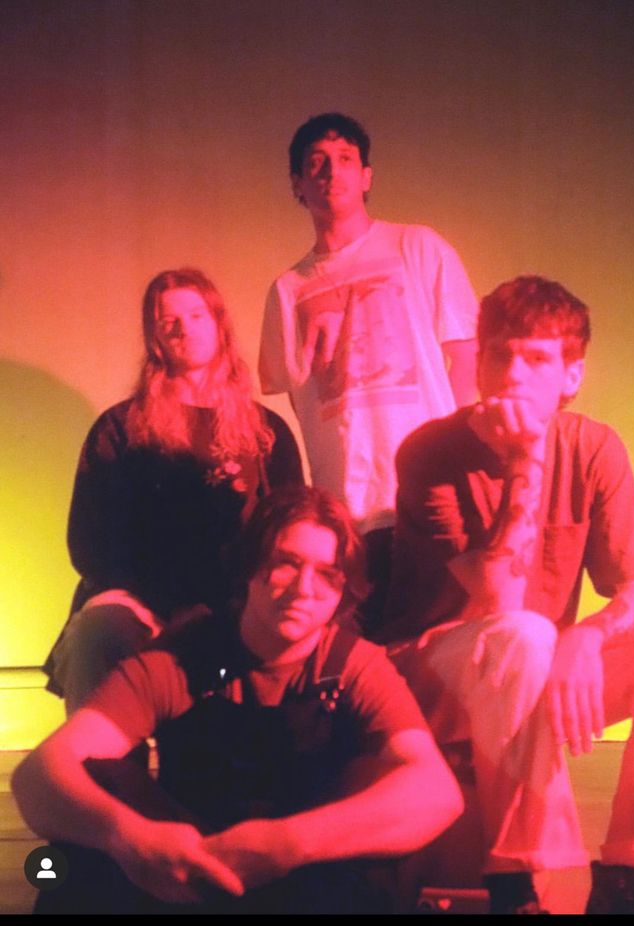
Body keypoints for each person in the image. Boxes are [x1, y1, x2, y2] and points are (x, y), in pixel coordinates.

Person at [375, 275, 634, 914]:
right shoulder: (428, 451)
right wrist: (525, 462)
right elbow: (497, 600)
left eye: (536, 358)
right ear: (479, 363)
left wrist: (588, 637)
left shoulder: (596, 446)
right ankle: (522, 884)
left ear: (571, 375)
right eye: (499, 354)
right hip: (429, 675)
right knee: (525, 634)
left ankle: (629, 877)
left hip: (528, 662)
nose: (513, 373)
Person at [13, 486, 463, 914]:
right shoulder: (182, 655)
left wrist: (287, 844)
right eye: (286, 563)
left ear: (343, 590)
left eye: (327, 574)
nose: (305, 588)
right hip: (185, 869)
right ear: (250, 566)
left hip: (306, 878)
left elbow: (437, 792)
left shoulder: (354, 665)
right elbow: (39, 775)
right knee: (94, 797)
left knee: (392, 799)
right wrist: (130, 839)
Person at [44, 268, 304, 712]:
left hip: (234, 606)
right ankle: (97, 771)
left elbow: (290, 535)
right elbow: (89, 544)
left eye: (197, 315)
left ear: (219, 324)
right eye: (170, 322)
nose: (185, 329)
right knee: (99, 629)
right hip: (137, 604)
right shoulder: (119, 427)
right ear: (155, 338)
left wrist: (225, 607)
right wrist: (166, 607)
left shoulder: (267, 432)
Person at [259, 112, 478, 628]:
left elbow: (464, 355)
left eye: (344, 160)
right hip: (348, 503)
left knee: (438, 636)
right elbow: (295, 393)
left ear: (367, 176)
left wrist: (456, 462)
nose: (331, 173)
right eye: (315, 164)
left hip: (427, 488)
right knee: (370, 643)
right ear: (297, 183)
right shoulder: (288, 289)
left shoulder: (416, 246)